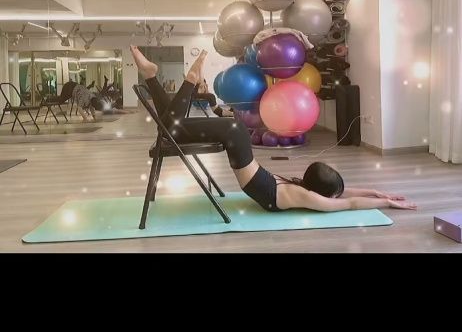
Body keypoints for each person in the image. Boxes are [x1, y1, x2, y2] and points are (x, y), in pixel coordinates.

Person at [131, 46, 417, 214]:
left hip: (237, 135)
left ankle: (153, 78)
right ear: (323, 193)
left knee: (170, 128)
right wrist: (385, 202)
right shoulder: (306, 195)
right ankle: (187, 80)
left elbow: (346, 194)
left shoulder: (305, 189)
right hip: (236, 141)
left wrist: (380, 193)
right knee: (172, 129)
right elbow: (349, 202)